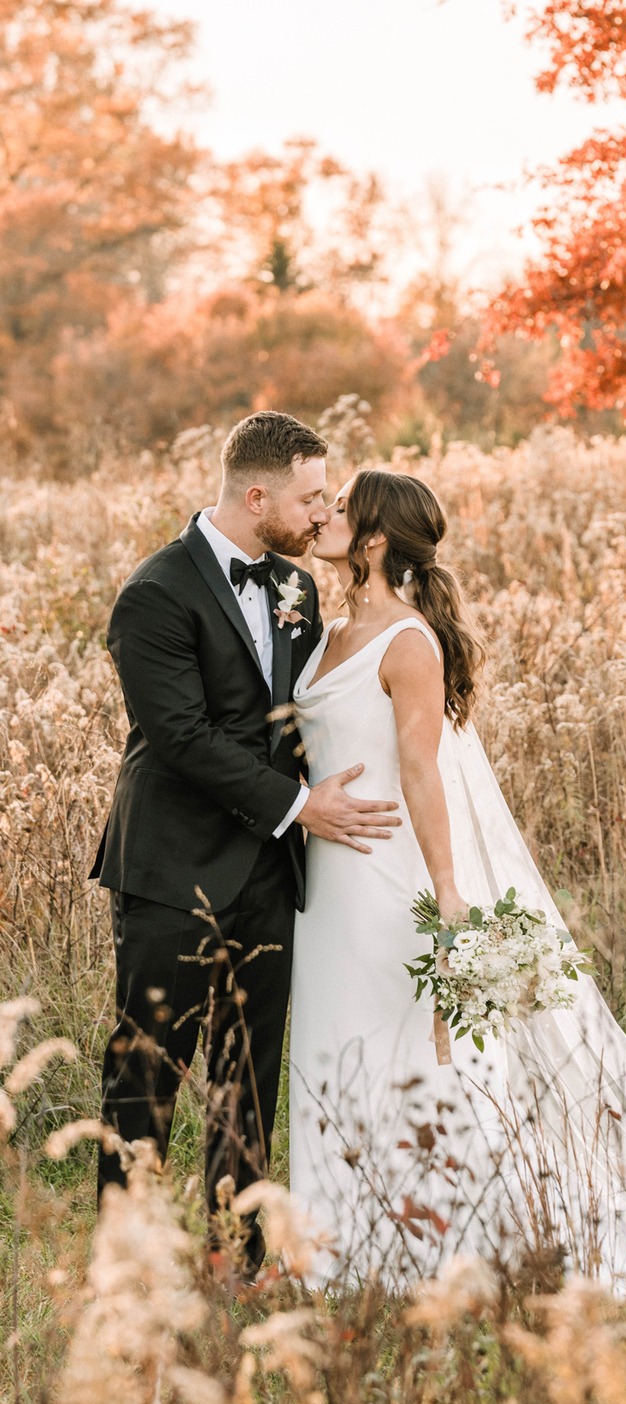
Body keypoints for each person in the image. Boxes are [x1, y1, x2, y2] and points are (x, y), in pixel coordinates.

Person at [289, 469, 626, 1289]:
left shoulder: (407, 642)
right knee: (338, 1040)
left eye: (342, 506)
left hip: (389, 877)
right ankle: (341, 1237)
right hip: (325, 882)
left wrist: (448, 892)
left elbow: (423, 774)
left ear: (376, 538)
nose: (324, 515)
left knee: (404, 1047)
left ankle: (440, 1241)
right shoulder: (325, 631)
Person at [92, 411, 402, 1280]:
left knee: (249, 1079)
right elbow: (182, 736)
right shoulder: (154, 593)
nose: (320, 515)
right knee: (147, 1073)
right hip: (170, 870)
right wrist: (301, 806)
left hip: (269, 871)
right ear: (256, 493)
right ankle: (129, 1266)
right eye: (310, 498)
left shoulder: (297, 588)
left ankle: (236, 1259)